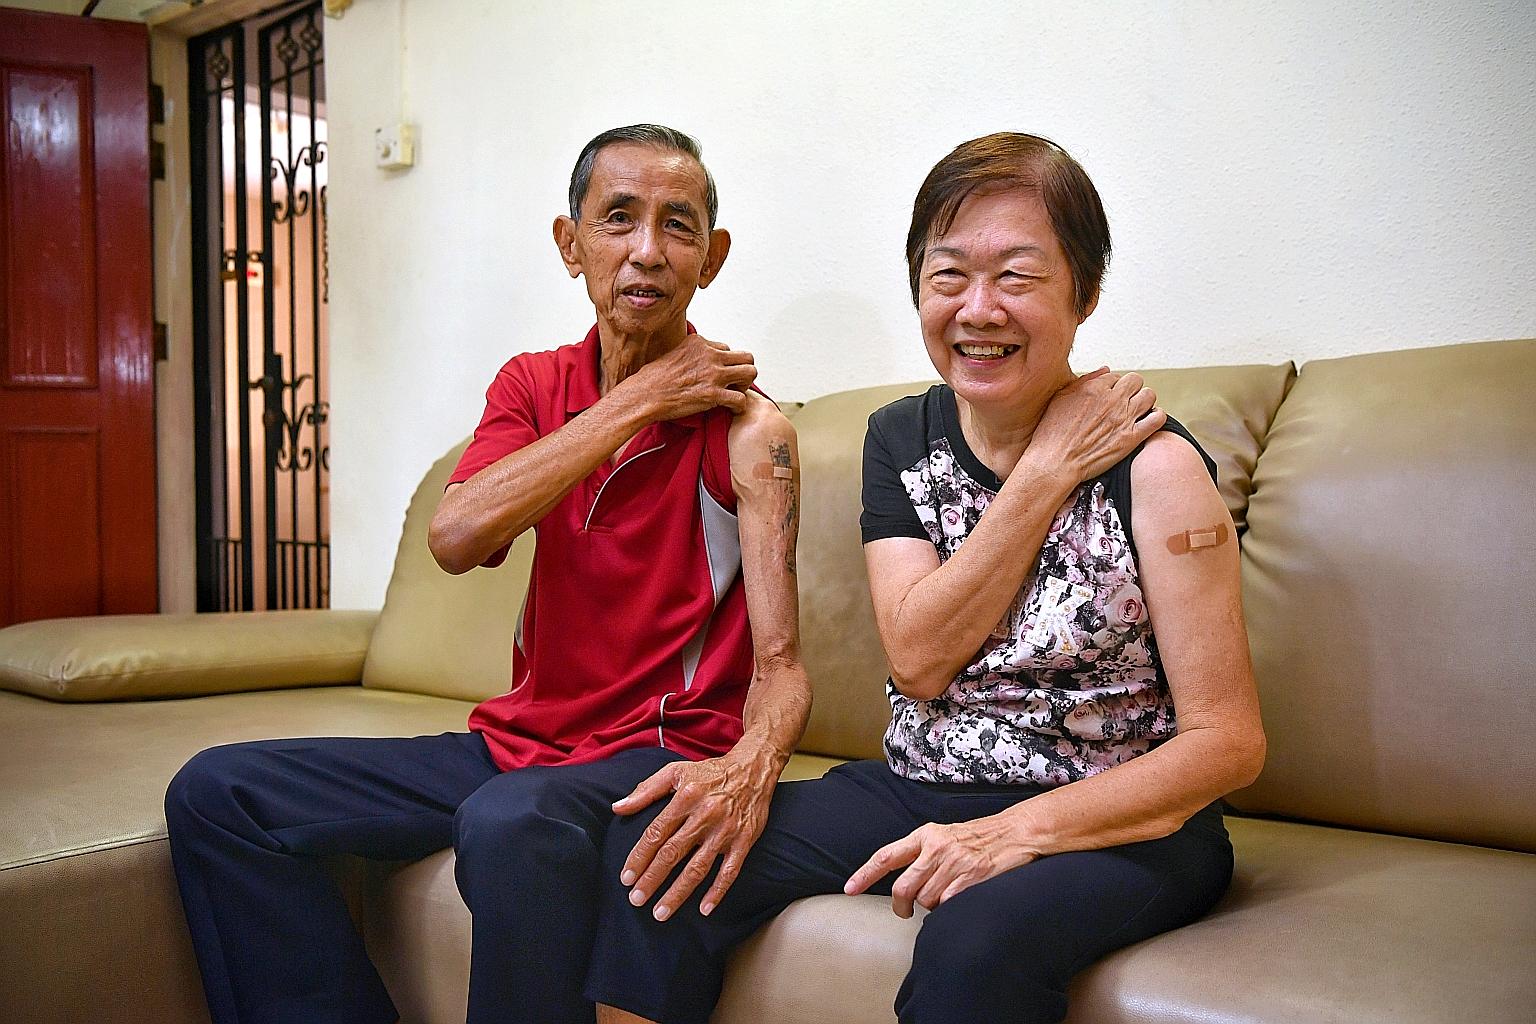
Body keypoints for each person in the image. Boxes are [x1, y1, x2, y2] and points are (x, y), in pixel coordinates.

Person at [586, 132, 1268, 1024]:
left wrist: (1014, 833)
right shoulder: (900, 440)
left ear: (1085, 294)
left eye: (1017, 277)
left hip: (1124, 815)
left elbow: (1229, 742)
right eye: (948, 276)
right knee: (662, 859)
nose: (977, 309)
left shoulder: (1158, 467)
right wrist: (1046, 471)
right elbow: (919, 658)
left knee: (975, 938)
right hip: (918, 781)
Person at [163, 124, 812, 1024]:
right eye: (617, 218)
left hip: (652, 758)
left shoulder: (749, 429)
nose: (647, 251)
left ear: (713, 257)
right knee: (218, 793)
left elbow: (783, 666)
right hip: (517, 746)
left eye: (679, 226)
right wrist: (640, 399)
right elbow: (458, 533)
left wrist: (749, 772)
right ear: (569, 243)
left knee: (508, 822)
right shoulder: (533, 384)